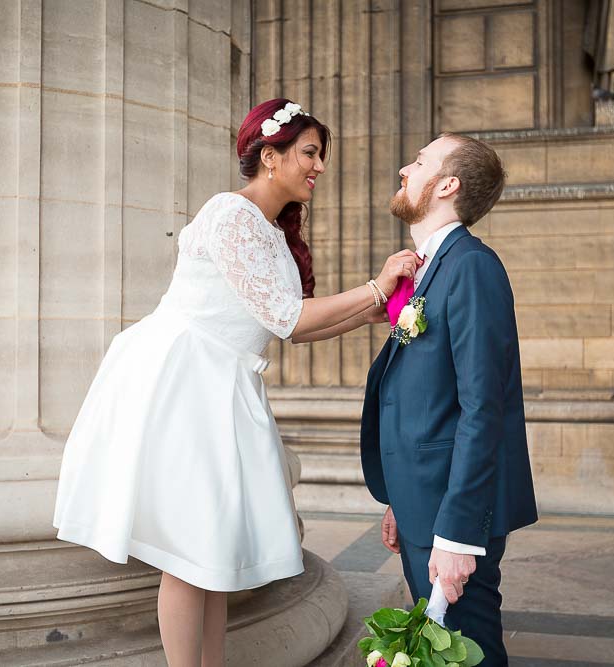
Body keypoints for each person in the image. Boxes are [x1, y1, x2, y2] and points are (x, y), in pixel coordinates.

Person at [53, 98, 420, 666]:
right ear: (269, 157)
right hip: (183, 384)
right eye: (309, 152)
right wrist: (375, 288)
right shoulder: (229, 213)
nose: (319, 166)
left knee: (213, 556)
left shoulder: (271, 232)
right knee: (188, 552)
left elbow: (291, 328)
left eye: (321, 154)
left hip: (222, 385)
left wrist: (366, 312)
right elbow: (289, 318)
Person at [359, 133, 538, 666]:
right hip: (424, 501)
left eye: (418, 162)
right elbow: (429, 400)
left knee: (470, 653)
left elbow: (485, 407)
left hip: (453, 516)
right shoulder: (430, 267)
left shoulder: (472, 267)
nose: (403, 169)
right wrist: (399, 496)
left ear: (447, 184)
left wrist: (458, 533)